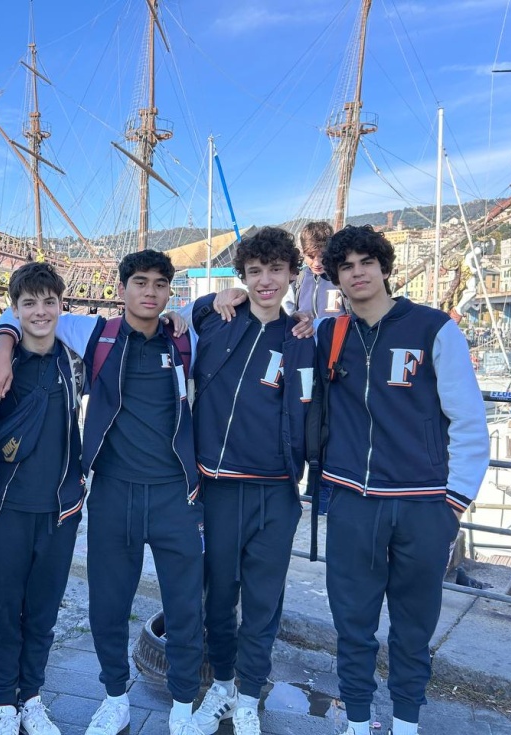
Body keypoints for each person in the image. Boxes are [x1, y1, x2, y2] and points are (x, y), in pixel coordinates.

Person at [0, 250, 205, 735]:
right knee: (108, 604)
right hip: (112, 491)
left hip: (175, 494)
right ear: (121, 289)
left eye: (160, 284)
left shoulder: (183, 337)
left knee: (186, 605)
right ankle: (114, 698)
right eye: (140, 282)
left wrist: (226, 296)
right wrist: (2, 345)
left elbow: (221, 310)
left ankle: (183, 705)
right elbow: (24, 309)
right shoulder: (96, 333)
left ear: (170, 292)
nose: (150, 292)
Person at [314, 225, 488, 735]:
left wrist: (454, 503)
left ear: (384, 267)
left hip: (423, 506)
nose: (358, 273)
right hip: (353, 502)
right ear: (336, 278)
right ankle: (358, 722)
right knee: (352, 625)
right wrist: (223, 298)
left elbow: (469, 421)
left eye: (366, 262)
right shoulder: (328, 334)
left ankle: (407, 723)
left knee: (413, 629)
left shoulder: (435, 329)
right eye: (346, 266)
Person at [187, 228, 314, 735]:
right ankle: (221, 685)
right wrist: (212, 297)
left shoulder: (302, 339)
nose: (265, 281)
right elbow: (174, 317)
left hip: (275, 491)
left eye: (276, 270)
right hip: (217, 488)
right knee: (218, 598)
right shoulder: (215, 320)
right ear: (241, 277)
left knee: (263, 602)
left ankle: (247, 695)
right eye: (255, 271)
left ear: (292, 275)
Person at [0, 262, 86, 735]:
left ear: (61, 305)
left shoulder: (75, 358)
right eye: (29, 303)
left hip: (60, 508)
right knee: (3, 612)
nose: (40, 312)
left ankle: (32, 697)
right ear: (15, 308)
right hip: (4, 508)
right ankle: (5, 702)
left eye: (49, 302)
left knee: (42, 613)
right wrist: (4, 343)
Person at [286, 221, 344, 319]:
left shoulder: (342, 278)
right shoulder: (297, 280)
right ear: (303, 253)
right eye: (311, 256)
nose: (317, 263)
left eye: (322, 256)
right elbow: (288, 315)